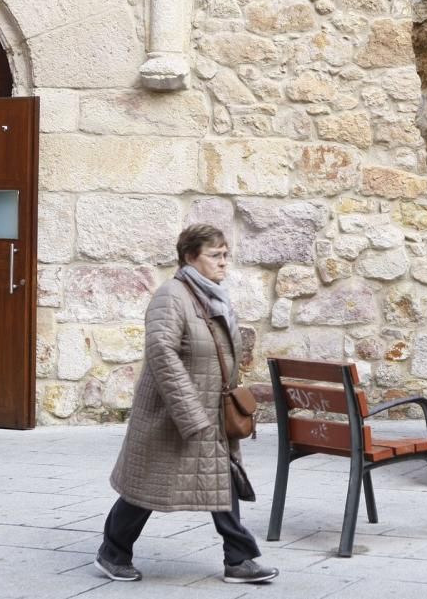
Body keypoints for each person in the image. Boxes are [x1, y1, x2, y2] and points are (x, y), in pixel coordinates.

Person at [94, 224, 277, 585]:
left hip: (211, 410)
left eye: (226, 255)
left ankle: (238, 559)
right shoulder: (172, 296)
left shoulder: (211, 295)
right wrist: (190, 413)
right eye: (215, 256)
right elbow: (161, 354)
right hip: (174, 415)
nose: (224, 263)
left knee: (221, 478)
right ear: (190, 257)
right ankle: (112, 552)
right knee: (147, 486)